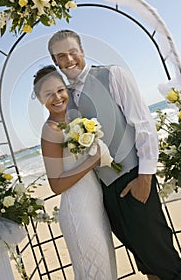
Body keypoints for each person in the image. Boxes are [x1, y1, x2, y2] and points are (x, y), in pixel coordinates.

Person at [47, 29, 181, 280]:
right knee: (146, 262)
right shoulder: (65, 99)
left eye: (73, 52)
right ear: (56, 62)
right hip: (106, 193)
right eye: (61, 56)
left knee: (165, 261)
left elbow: (144, 125)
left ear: (82, 51)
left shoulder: (113, 75)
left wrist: (144, 180)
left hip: (134, 180)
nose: (69, 59)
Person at [33, 65, 117, 279]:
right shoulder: (50, 131)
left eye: (60, 90)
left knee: (107, 269)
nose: (57, 97)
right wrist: (93, 160)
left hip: (95, 207)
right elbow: (56, 184)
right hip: (78, 211)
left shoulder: (74, 120)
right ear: (40, 99)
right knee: (95, 273)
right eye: (48, 94)